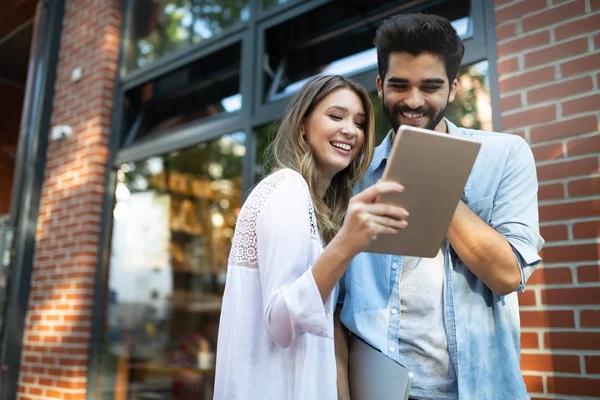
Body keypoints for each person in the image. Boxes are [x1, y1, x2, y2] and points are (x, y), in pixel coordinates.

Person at [337, 14, 545, 400]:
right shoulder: (351, 176)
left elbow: (506, 275)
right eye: (399, 85)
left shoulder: (504, 155)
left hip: (480, 390)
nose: (413, 101)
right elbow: (334, 309)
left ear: (452, 90)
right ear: (380, 86)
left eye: (430, 87)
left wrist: (427, 169)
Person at [214, 75, 409, 399]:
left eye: (359, 123)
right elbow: (281, 320)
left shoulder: (309, 204)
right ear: (302, 125)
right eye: (336, 116)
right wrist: (347, 245)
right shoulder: (288, 189)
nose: (351, 130)